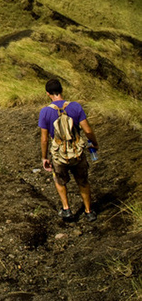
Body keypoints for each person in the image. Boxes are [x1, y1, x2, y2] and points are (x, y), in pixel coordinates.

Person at [38, 78, 99, 221]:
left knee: (59, 180)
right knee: (83, 181)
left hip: (59, 154)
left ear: (48, 94)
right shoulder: (75, 107)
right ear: (62, 90)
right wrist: (94, 143)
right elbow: (88, 130)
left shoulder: (45, 112)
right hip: (77, 151)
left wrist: (44, 157)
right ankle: (89, 211)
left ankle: (66, 209)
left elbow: (44, 139)